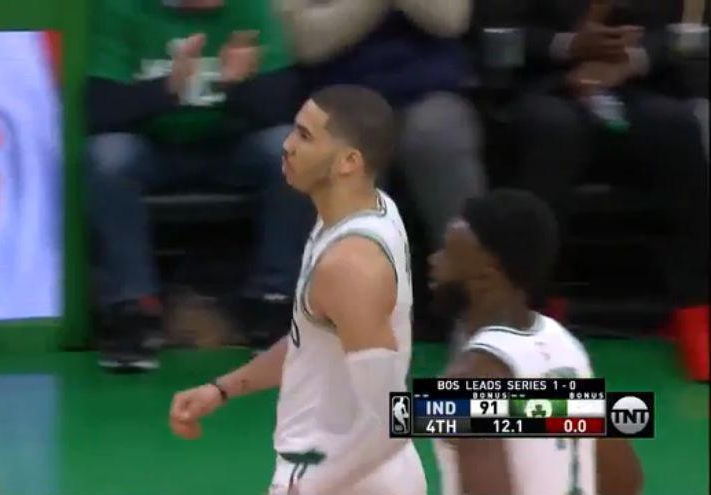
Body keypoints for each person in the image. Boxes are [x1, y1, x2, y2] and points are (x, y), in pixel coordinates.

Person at [168, 85, 426, 495]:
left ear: (348, 162)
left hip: (345, 477)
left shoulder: (349, 265)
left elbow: (389, 423)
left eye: (305, 137)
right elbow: (312, 340)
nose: (287, 146)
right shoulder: (363, 210)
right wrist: (222, 389)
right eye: (294, 130)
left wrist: (309, 486)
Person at [85, 0, 314, 371]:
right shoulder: (120, 8)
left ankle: (273, 302)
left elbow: (284, 107)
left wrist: (238, 86)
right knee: (107, 157)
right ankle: (132, 310)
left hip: (232, 149)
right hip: (153, 149)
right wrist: (166, 90)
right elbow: (99, 110)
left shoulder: (251, 8)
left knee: (292, 150)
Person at [513, 0, 709, 352]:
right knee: (552, 131)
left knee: (677, 127)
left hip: (639, 84)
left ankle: (693, 308)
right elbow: (494, 29)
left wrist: (631, 60)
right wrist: (569, 45)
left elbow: (683, 29)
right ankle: (532, 309)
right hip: (549, 85)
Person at [274, 0, 486, 321]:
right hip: (341, 100)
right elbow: (306, 42)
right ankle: (358, 312)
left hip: (429, 92)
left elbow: (451, 19)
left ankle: (473, 302)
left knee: (437, 136)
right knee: (346, 154)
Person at [427, 189, 643, 495]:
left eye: (447, 254)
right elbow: (625, 478)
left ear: (486, 275)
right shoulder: (564, 344)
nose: (434, 262)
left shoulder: (472, 377)